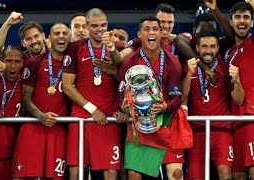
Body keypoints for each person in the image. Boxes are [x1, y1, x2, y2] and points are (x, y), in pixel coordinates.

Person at [119, 16, 191, 180]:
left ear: (160, 34)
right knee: (134, 175)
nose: (151, 33)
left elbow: (176, 97)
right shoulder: (129, 62)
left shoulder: (172, 62)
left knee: (176, 174)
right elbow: (120, 96)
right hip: (141, 126)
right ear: (139, 34)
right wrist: (123, 106)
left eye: (155, 29)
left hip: (167, 123)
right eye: (147, 29)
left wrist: (166, 107)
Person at [62, 8, 128, 180]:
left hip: (109, 118)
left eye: (103, 25)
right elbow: (67, 86)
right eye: (95, 26)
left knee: (111, 172)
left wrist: (123, 110)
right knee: (76, 172)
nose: (100, 29)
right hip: (82, 117)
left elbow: (125, 81)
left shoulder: (117, 48)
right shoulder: (75, 48)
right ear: (87, 26)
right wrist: (93, 110)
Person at [219, 0, 254, 179]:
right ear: (231, 21)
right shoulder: (228, 52)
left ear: (252, 22)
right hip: (235, 120)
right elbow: (237, 98)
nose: (242, 21)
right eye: (237, 17)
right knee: (237, 174)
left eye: (246, 18)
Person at [12, 23, 71, 179]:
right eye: (56, 34)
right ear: (49, 38)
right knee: (23, 175)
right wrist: (40, 116)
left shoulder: (73, 62)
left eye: (64, 34)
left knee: (54, 177)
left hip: (59, 129)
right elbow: (25, 97)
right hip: (33, 126)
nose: (61, 37)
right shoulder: (34, 62)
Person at [181, 31, 240, 180]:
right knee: (195, 176)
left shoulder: (226, 69)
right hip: (196, 131)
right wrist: (188, 75)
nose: (208, 51)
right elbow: (182, 97)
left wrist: (238, 81)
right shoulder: (188, 67)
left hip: (221, 131)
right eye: (204, 46)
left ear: (218, 48)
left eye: (212, 46)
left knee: (225, 172)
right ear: (197, 48)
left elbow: (238, 100)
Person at [0, 45, 23, 180]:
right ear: (2, 62)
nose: (13, 66)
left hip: (11, 151)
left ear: (22, 63)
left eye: (17, 61)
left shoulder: (25, 84)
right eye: (9, 61)